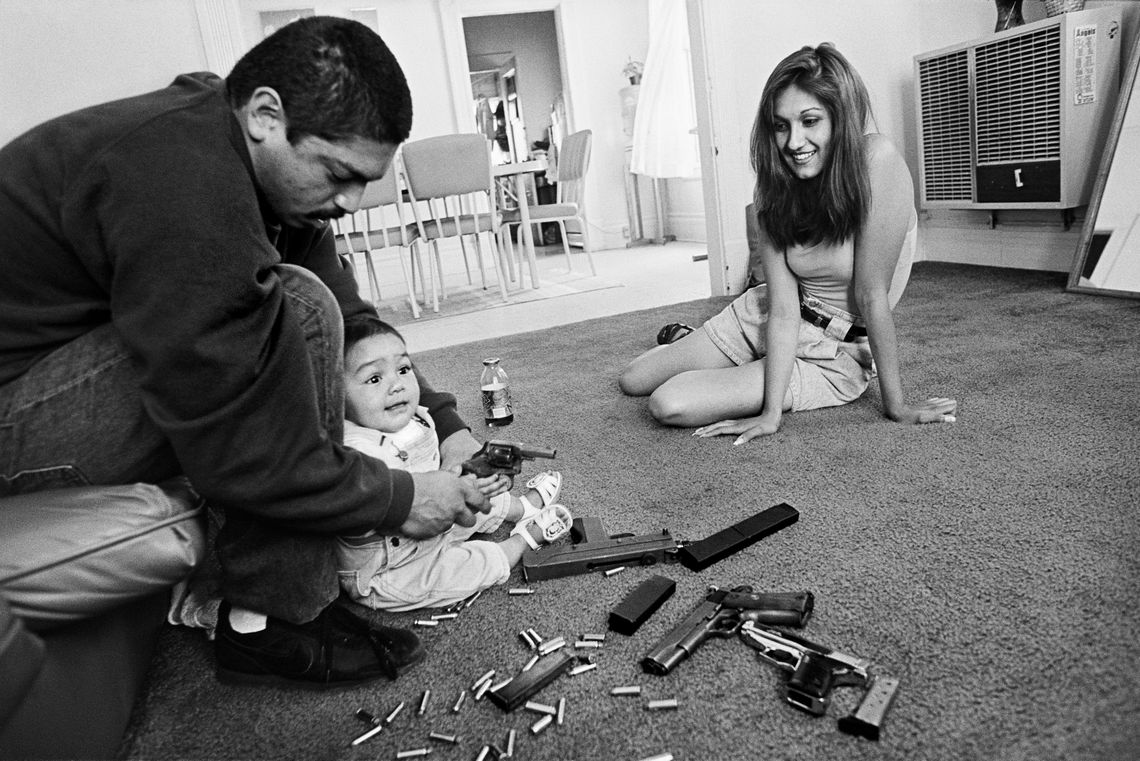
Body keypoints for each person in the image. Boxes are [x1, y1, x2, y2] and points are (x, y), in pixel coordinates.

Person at [0, 16, 489, 689]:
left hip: (48, 379)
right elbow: (242, 441)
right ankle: (265, 625)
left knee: (312, 303)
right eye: (339, 174)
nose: (350, 202)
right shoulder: (184, 186)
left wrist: (447, 424)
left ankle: (296, 599)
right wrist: (398, 496)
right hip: (13, 422)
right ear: (266, 114)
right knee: (294, 309)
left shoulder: (252, 164)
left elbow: (356, 323)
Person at [619, 44, 957, 443]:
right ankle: (699, 343)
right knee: (633, 379)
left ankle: (724, 359)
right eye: (781, 126)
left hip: (834, 351)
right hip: (769, 316)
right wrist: (770, 413)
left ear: (840, 117)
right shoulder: (774, 188)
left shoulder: (878, 162)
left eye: (810, 121)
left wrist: (896, 406)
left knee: (669, 402)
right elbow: (781, 311)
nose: (794, 141)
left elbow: (871, 295)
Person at [336, 315, 572, 611]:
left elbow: (438, 482)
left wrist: (464, 480)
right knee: (461, 571)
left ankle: (521, 508)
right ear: (336, 396)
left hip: (437, 520)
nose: (396, 385)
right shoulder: (353, 451)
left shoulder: (418, 417)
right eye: (374, 378)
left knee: (477, 490)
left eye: (403, 369)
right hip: (393, 564)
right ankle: (520, 542)